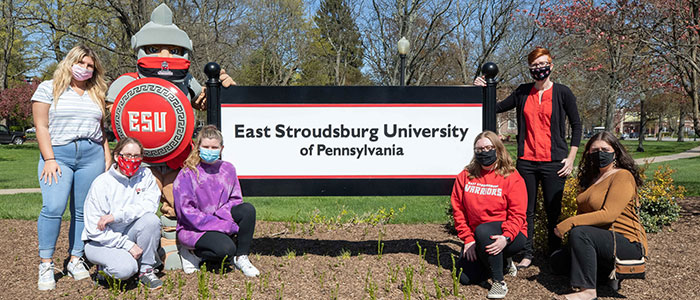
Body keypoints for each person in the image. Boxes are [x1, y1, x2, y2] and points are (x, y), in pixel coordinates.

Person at [106, 4, 236, 270]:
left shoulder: (187, 81)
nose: (165, 56)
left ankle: (171, 245)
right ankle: (138, 248)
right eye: (156, 49)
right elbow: (116, 110)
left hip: (179, 156)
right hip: (142, 159)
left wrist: (221, 87)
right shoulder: (128, 82)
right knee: (140, 205)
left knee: (175, 203)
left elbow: (203, 101)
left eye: (173, 50)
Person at [474, 47, 582, 268]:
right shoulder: (523, 92)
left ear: (551, 66)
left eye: (543, 64)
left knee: (553, 211)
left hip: (555, 162)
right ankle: (527, 253)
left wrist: (571, 158)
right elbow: (494, 108)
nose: (539, 69)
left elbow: (577, 125)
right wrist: (482, 90)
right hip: (527, 162)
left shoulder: (563, 92)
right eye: (534, 66)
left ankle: (554, 255)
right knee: (526, 211)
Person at [31, 45, 111, 290]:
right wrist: (50, 158)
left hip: (92, 154)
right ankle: (46, 263)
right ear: (70, 62)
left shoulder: (97, 92)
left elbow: (101, 129)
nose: (85, 69)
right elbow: (41, 126)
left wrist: (107, 155)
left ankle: (76, 258)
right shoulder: (49, 88)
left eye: (90, 66)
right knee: (53, 206)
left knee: (83, 210)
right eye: (81, 63)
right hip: (58, 155)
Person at [550, 131, 647, 300]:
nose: (599, 154)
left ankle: (587, 292)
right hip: (598, 240)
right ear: (588, 154)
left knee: (580, 232)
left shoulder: (622, 176)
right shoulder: (592, 179)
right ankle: (605, 277)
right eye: (594, 150)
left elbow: (609, 215)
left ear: (615, 152)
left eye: (605, 149)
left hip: (626, 242)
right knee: (557, 261)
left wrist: (569, 223)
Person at [173, 125, 260, 277]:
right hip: (193, 229)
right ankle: (192, 254)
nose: (210, 150)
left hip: (219, 219)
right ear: (198, 147)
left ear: (221, 148)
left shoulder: (228, 169)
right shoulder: (187, 173)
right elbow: (186, 212)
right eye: (206, 146)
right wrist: (223, 225)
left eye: (214, 147)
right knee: (226, 250)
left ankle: (241, 257)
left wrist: (220, 216)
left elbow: (236, 199)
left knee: (247, 210)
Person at [451, 131, 528, 299]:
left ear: (497, 149)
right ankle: (502, 262)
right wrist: (468, 239)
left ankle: (498, 282)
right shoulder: (465, 176)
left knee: (484, 231)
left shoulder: (512, 177)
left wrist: (506, 237)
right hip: (477, 237)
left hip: (512, 234)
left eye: (488, 148)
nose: (484, 152)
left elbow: (518, 214)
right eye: (479, 149)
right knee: (464, 277)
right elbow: (458, 210)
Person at [82, 137, 163, 289]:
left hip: (129, 232)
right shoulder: (102, 183)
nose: (132, 160)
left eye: (136, 156)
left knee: (151, 220)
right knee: (126, 269)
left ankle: (146, 270)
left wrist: (117, 216)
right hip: (100, 241)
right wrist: (127, 245)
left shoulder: (146, 176)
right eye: (127, 155)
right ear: (116, 156)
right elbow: (94, 230)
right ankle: (103, 270)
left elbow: (150, 206)